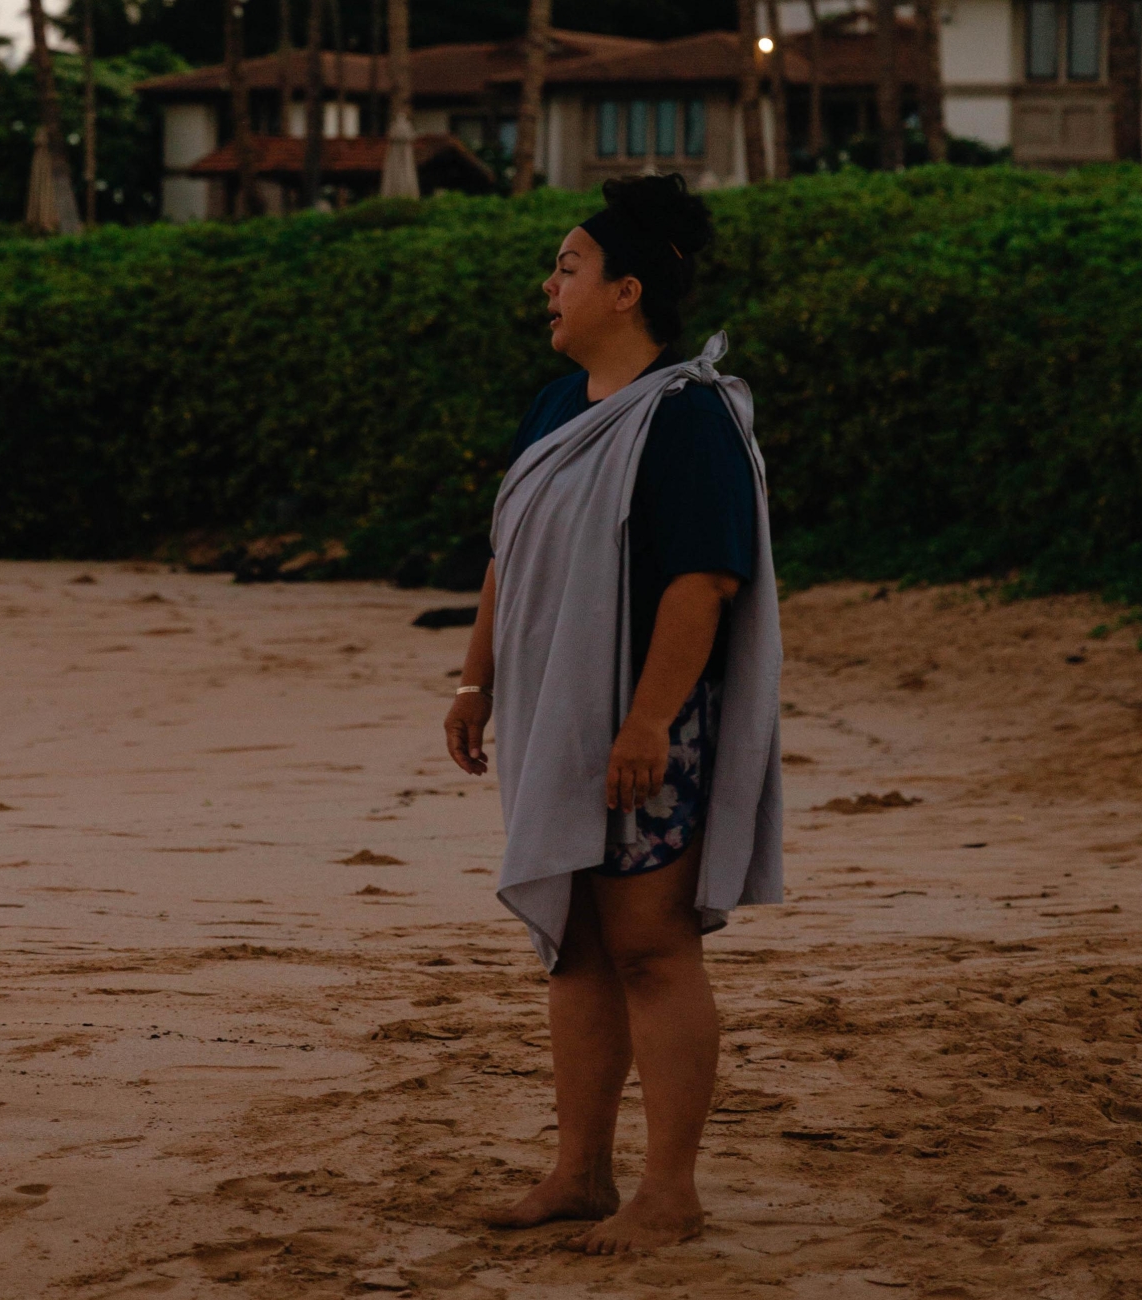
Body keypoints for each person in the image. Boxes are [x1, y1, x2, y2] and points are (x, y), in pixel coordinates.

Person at [442, 173, 784, 1255]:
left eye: (570, 267)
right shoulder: (557, 409)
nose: (551, 285)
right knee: (577, 946)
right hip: (552, 715)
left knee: (651, 946)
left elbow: (704, 581)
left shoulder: (688, 417)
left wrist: (646, 725)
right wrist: (476, 676)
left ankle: (670, 1190)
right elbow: (512, 551)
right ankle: (579, 1172)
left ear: (627, 290)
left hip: (647, 726)